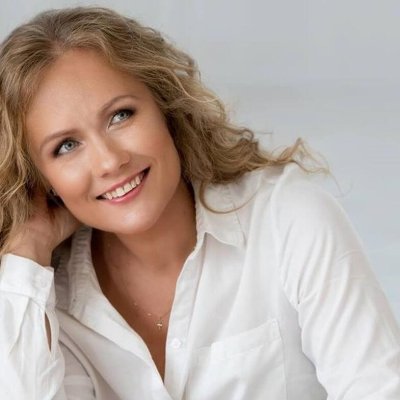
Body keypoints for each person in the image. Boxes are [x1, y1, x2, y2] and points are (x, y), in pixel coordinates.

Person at [0, 6, 399, 400]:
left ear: (165, 106)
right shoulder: (45, 303)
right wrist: (28, 246)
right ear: (39, 179)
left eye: (120, 116)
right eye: (66, 146)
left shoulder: (289, 219)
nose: (109, 161)